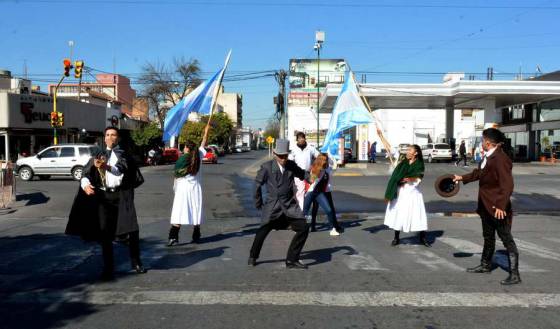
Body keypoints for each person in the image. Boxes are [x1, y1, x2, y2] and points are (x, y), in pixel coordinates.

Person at [66, 127, 146, 281]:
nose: (110, 137)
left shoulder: (124, 154)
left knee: (131, 229)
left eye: (113, 135)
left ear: (118, 138)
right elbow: (86, 173)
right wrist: (85, 185)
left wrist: (105, 166)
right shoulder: (98, 154)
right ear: (104, 138)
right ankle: (108, 267)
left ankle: (136, 261)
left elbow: (120, 170)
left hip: (122, 195)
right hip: (103, 197)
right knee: (105, 234)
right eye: (107, 135)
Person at [453, 128, 520, 285]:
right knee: (488, 236)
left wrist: (501, 206)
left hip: (497, 207)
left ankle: (515, 274)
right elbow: (479, 173)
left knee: (507, 240)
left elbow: (507, 185)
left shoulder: (500, 159)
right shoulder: (489, 156)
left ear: (488, 143)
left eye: (483, 140)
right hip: (486, 205)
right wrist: (461, 177)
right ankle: (485, 265)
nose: (481, 143)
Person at [249, 139, 310, 269]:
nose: (283, 158)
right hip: (273, 207)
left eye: (285, 156)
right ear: (275, 154)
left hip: (289, 206)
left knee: (303, 227)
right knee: (263, 231)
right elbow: (256, 185)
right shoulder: (267, 167)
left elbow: (303, 174)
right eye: (281, 156)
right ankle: (253, 256)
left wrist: (316, 172)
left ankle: (291, 260)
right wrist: (258, 203)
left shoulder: (291, 165)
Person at [383, 144, 430, 247]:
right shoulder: (402, 161)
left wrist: (410, 179)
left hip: (413, 193)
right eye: (407, 150)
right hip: (401, 192)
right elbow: (391, 150)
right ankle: (396, 238)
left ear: (416, 153)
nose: (408, 152)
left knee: (417, 215)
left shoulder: (419, 164)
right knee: (398, 214)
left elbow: (419, 177)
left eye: (410, 150)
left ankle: (422, 238)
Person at [167, 131, 209, 246]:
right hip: (195, 188)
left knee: (179, 212)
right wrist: (206, 132)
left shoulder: (183, 159)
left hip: (182, 188)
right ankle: (196, 236)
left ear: (186, 148)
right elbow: (203, 142)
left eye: (184, 147)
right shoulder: (198, 155)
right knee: (196, 210)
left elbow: (176, 173)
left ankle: (173, 237)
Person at [303, 153, 342, 236]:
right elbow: (310, 182)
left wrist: (329, 154)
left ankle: (333, 228)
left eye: (326, 160)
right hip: (310, 191)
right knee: (304, 211)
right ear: (320, 161)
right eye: (324, 160)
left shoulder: (327, 168)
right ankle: (300, 227)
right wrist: (306, 192)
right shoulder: (315, 168)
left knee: (329, 210)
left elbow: (334, 165)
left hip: (319, 193)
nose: (326, 162)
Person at [289, 132, 319, 210]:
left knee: (310, 193)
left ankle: (309, 212)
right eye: (299, 138)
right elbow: (290, 161)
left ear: (305, 138)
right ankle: (302, 213)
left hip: (309, 174)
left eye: (302, 138)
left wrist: (314, 167)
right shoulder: (294, 149)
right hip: (298, 175)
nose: (301, 139)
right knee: (300, 193)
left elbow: (319, 156)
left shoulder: (310, 148)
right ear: (297, 140)